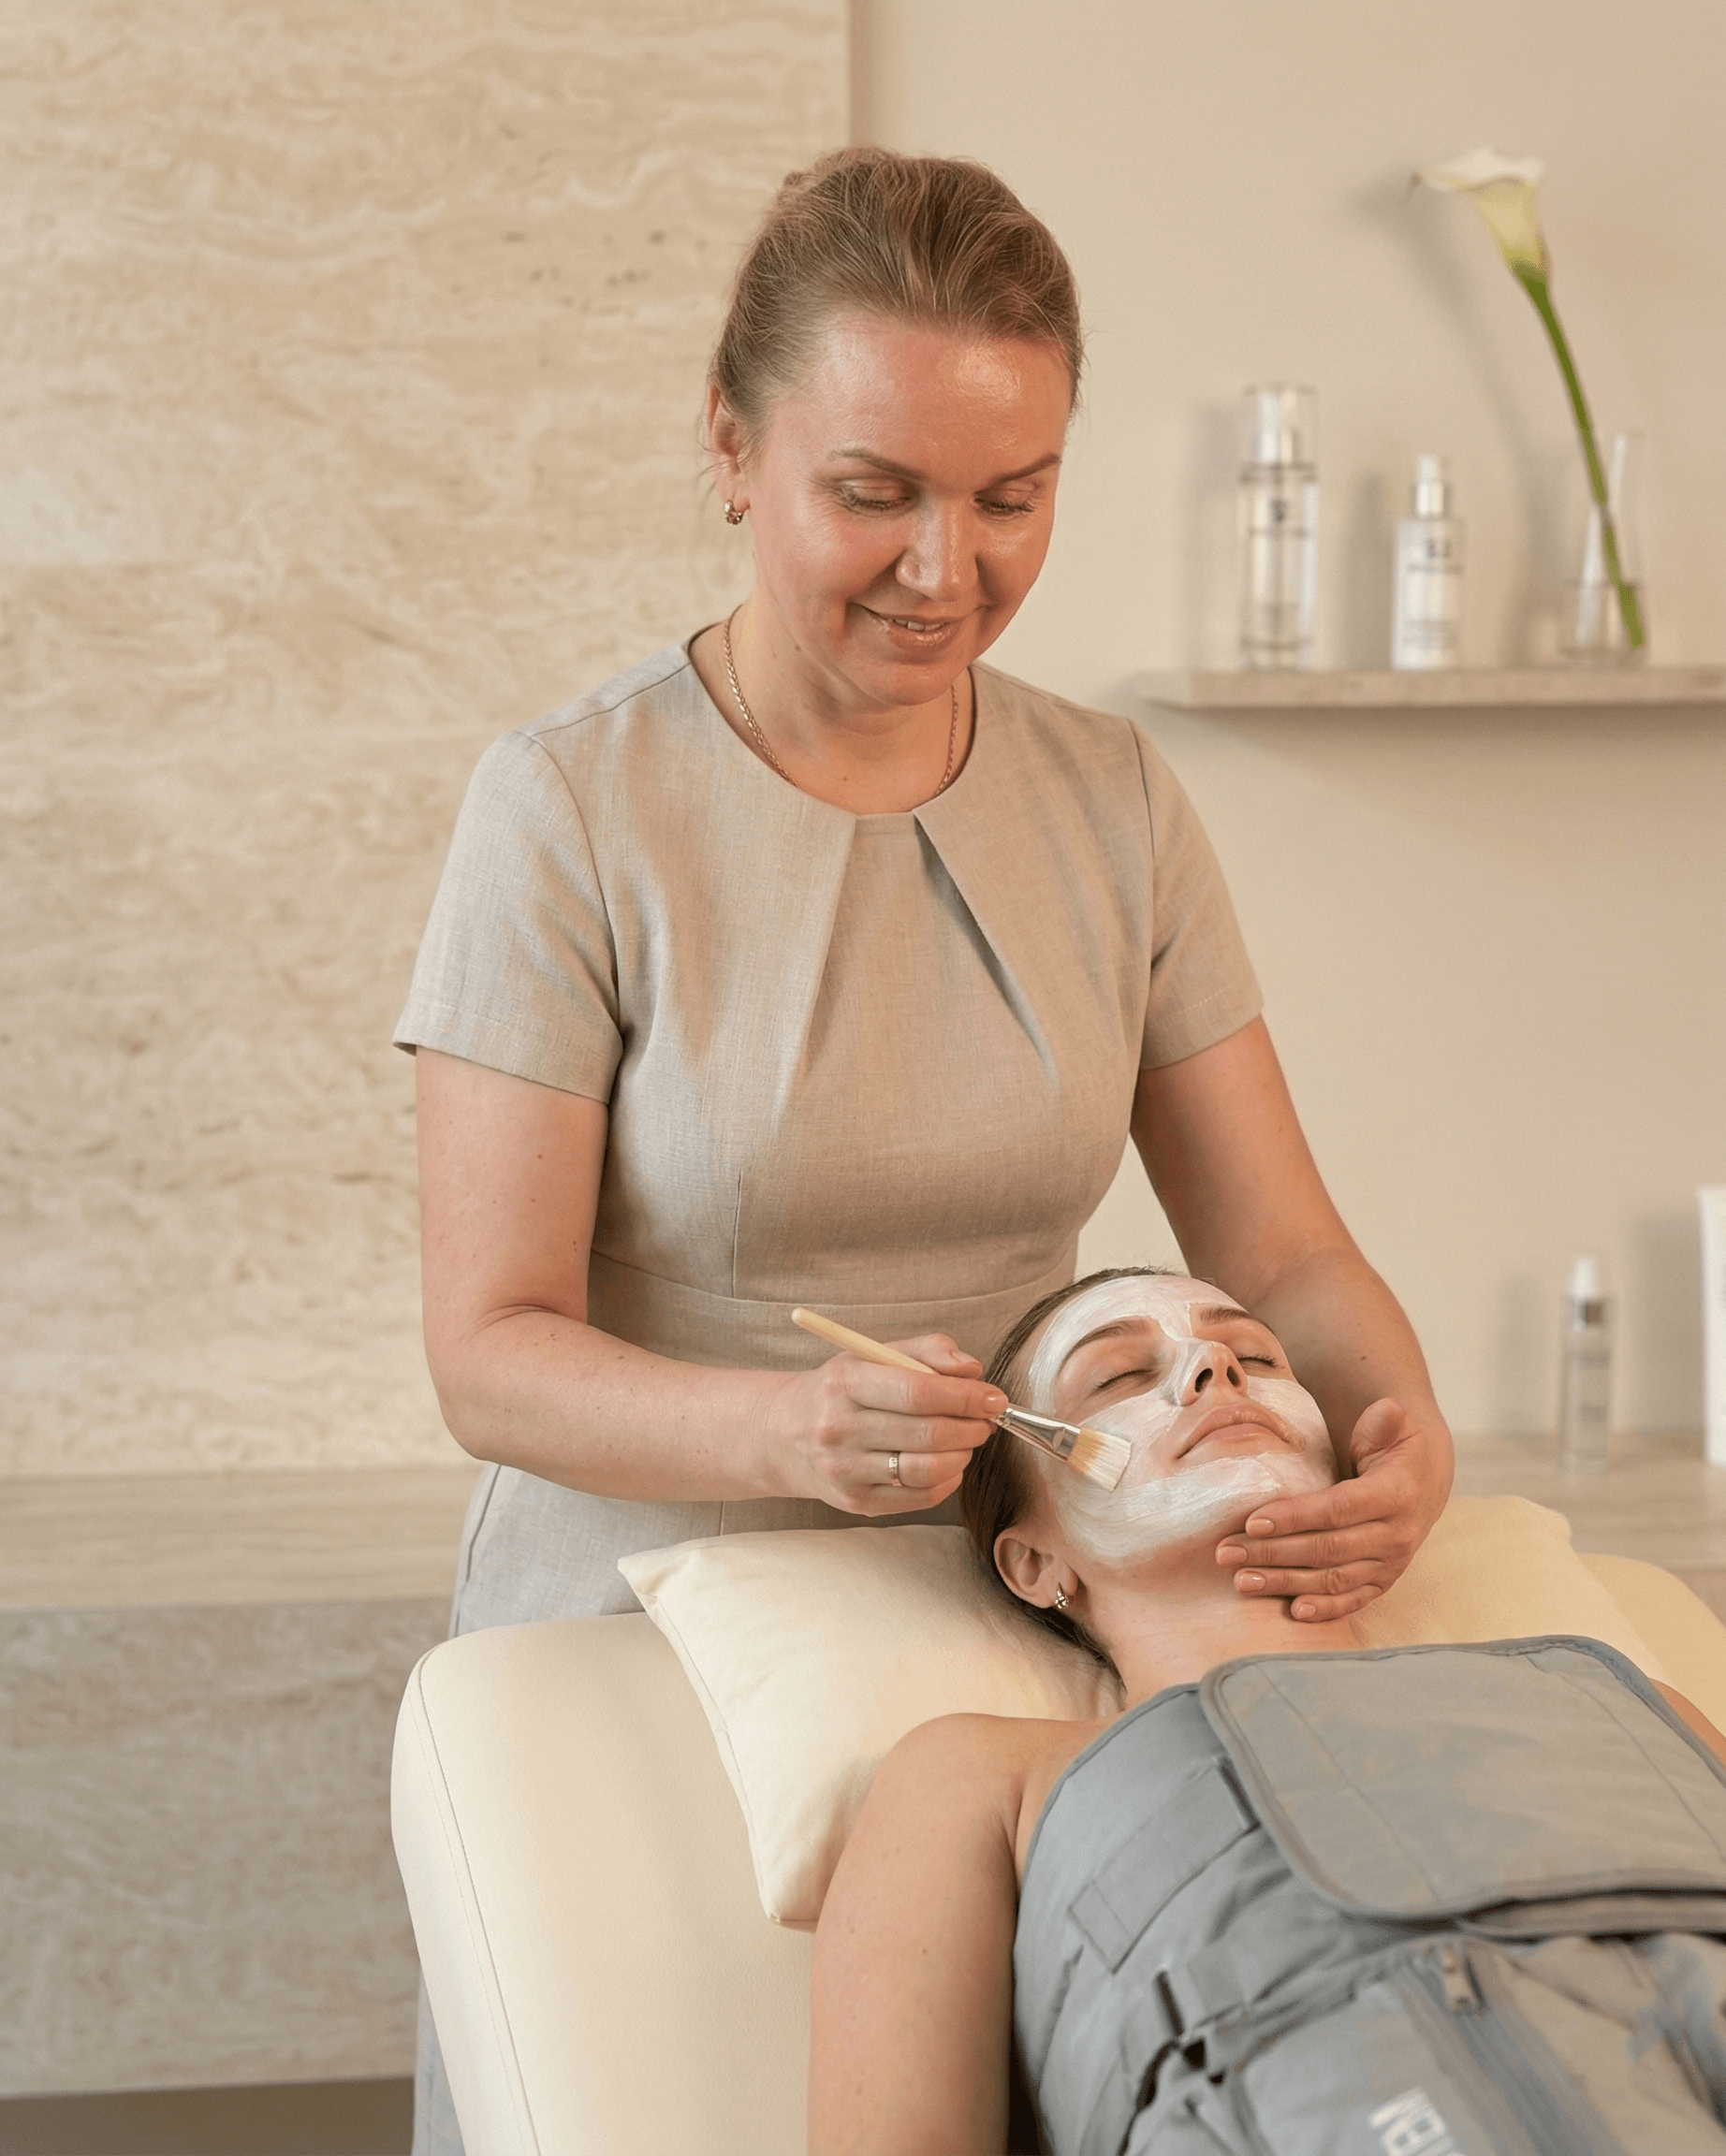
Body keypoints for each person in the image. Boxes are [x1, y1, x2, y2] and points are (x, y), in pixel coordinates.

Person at [396, 149, 1456, 2149]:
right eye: (872, 491)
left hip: (1010, 1612)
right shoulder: (566, 811)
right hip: (646, 1652)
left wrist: (1404, 1430)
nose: (943, 568)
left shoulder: (1110, 801)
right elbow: (488, 1346)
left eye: (1010, 496)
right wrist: (778, 1439)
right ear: (730, 447)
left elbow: (1288, 1257)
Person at [808, 1268, 1726, 2156]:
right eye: (1119, 1375)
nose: (1216, 1370)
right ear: (1034, 1566)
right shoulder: (983, 1777)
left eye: (1256, 1356)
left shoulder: (1618, 1701)